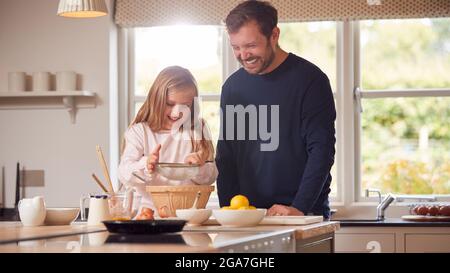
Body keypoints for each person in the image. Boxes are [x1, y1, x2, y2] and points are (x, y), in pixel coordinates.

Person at [216, 0, 336, 219]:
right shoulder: (232, 88)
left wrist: (299, 207)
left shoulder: (310, 80)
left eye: (251, 46)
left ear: (274, 35)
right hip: (248, 216)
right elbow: (227, 156)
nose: (243, 55)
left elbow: (322, 150)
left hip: (302, 214)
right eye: (236, 47)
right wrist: (230, 212)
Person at [118, 66, 218, 214]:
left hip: (188, 215)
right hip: (148, 215)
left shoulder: (196, 130)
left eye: (185, 105)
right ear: (155, 99)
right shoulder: (140, 132)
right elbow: (124, 173)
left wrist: (198, 167)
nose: (177, 113)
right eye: (170, 104)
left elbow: (211, 176)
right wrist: (146, 164)